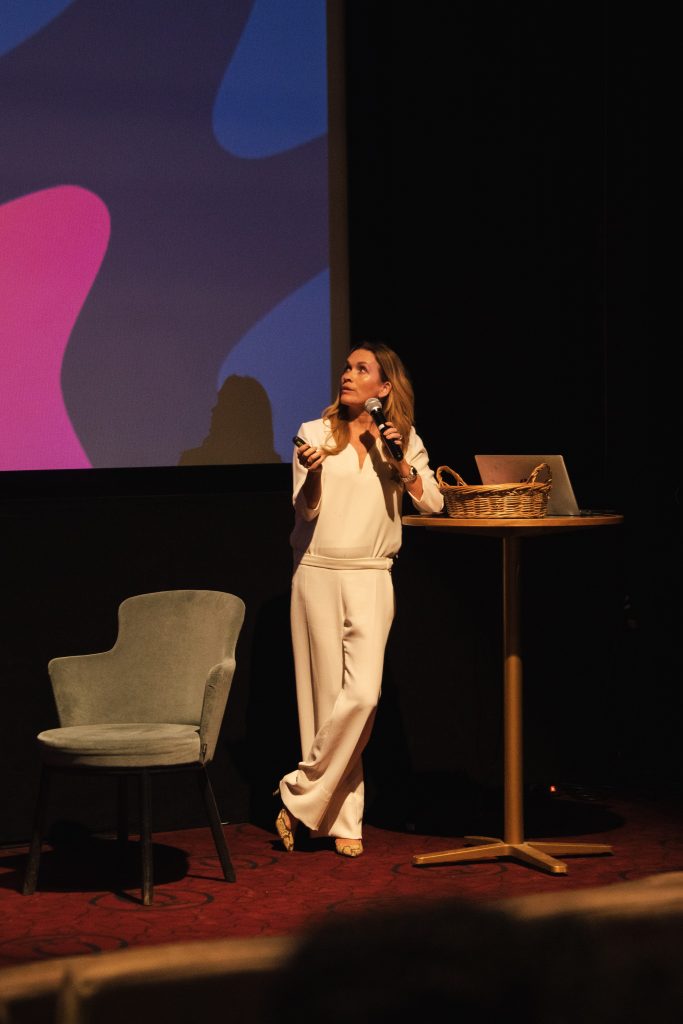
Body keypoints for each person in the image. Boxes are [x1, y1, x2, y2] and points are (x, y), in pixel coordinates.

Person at [274, 342, 443, 857]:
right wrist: (315, 473)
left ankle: (297, 796)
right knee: (325, 702)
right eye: (347, 367)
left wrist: (402, 464)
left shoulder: (403, 440)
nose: (347, 375)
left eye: (361, 369)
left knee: (363, 696)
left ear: (384, 387)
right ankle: (343, 820)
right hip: (318, 572)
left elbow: (434, 504)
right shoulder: (314, 433)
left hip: (371, 573)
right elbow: (305, 511)